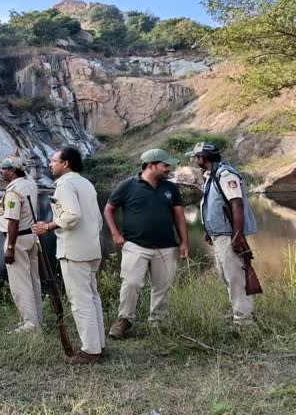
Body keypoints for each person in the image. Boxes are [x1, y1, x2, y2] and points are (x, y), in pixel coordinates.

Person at [32, 147, 106, 364]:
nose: (50, 164)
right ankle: (98, 345)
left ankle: (90, 351)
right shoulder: (85, 183)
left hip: (74, 250)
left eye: (54, 161)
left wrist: (48, 226)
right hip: (91, 247)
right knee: (92, 298)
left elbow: (72, 215)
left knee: (80, 300)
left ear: (65, 163)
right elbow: (97, 219)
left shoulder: (65, 185)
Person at [104, 149, 189, 338]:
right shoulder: (126, 186)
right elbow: (109, 209)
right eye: (165, 165)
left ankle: (158, 323)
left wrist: (184, 242)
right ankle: (124, 321)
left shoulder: (170, 188)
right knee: (131, 283)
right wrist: (116, 234)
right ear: (151, 165)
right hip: (135, 245)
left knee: (162, 287)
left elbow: (179, 216)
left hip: (167, 246)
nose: (168, 169)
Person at [186, 142, 258, 329]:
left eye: (196, 157)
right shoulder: (213, 175)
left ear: (203, 157)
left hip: (229, 235)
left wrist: (238, 234)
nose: (195, 160)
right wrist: (209, 231)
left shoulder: (225, 174)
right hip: (220, 235)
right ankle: (239, 312)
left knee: (236, 278)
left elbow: (236, 204)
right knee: (226, 276)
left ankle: (244, 322)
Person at [0, 149, 42, 333]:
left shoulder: (14, 193)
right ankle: (36, 320)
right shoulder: (29, 183)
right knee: (33, 280)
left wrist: (10, 247)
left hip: (18, 240)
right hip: (32, 236)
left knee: (20, 284)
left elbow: (12, 222)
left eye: (4, 169)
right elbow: (24, 169)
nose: (1, 171)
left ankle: (30, 325)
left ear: (13, 171)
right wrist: (14, 155)